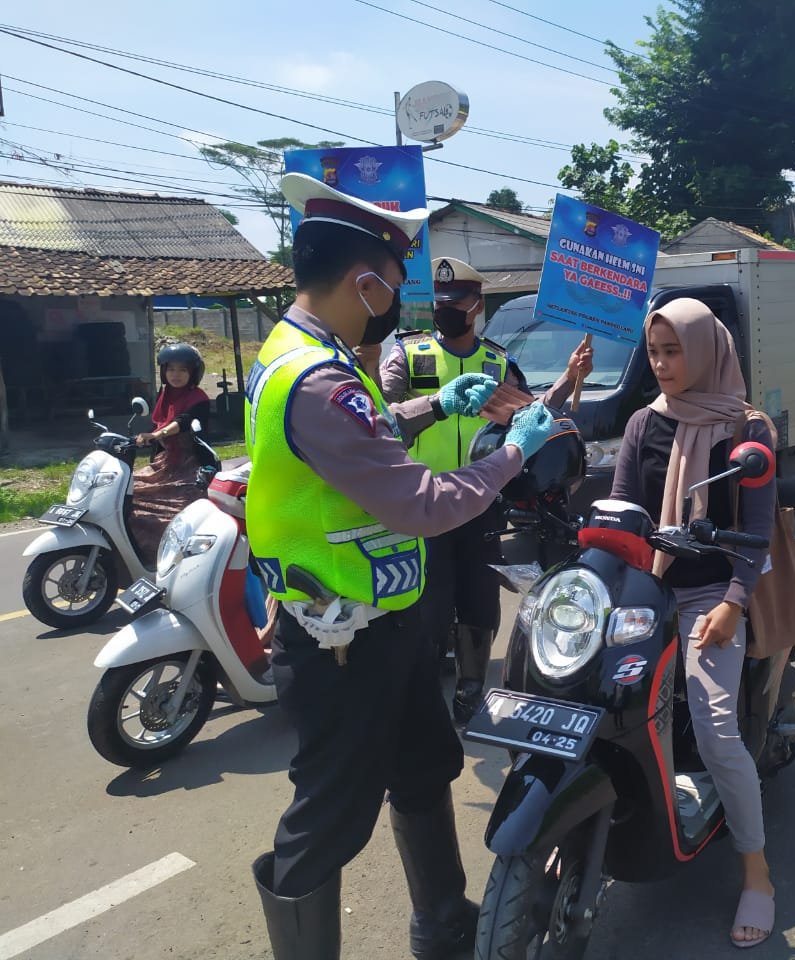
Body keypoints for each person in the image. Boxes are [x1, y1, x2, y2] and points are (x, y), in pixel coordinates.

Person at [247, 172, 558, 960]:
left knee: (424, 766)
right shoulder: (316, 377)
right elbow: (419, 503)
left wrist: (435, 407)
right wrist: (516, 452)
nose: (401, 295)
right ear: (364, 282)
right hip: (336, 643)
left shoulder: (306, 352)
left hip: (384, 625)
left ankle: (443, 925)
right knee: (328, 818)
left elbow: (365, 436)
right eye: (393, 279)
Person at [610, 297, 779, 949]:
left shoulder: (749, 431)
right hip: (648, 587)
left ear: (706, 349)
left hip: (714, 590)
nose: (662, 364)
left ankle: (757, 875)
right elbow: (623, 509)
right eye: (654, 352)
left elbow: (756, 534)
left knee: (713, 730)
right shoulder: (640, 425)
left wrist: (734, 603)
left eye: (674, 350)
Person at [379, 255, 593, 724]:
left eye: (455, 301)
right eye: (440, 301)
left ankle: (471, 687)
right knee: (428, 605)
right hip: (423, 504)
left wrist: (569, 377)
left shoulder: (496, 360)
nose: (445, 308)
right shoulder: (407, 355)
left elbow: (530, 416)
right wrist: (435, 401)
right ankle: (428, 690)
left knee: (479, 599)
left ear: (476, 305)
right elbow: (381, 419)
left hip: (481, 505)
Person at [130, 342, 216, 558]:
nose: (175, 374)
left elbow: (183, 421)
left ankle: (168, 555)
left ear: (193, 373)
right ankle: (134, 549)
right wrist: (143, 438)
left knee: (177, 513)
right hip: (165, 463)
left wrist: (158, 434)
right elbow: (158, 424)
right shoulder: (165, 396)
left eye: (183, 370)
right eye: (171, 369)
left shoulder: (199, 399)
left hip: (191, 466)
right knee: (128, 490)